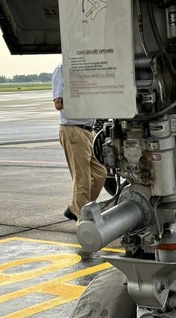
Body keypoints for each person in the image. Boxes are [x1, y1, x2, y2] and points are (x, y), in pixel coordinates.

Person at [51, 62, 107, 222]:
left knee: (100, 173)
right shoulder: (61, 69)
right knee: (82, 179)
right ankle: (83, 221)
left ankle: (75, 208)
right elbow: (58, 103)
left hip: (89, 130)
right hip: (73, 130)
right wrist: (83, 96)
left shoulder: (86, 68)